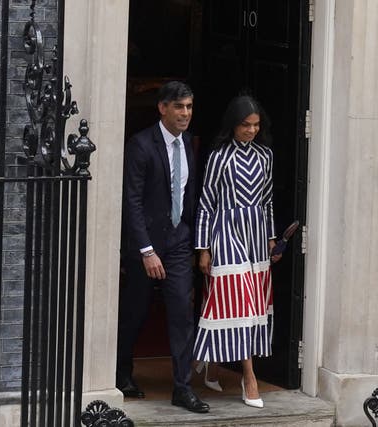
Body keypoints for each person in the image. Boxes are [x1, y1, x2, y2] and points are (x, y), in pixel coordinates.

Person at [117, 81, 209, 413]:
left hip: (179, 240)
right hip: (146, 245)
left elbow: (190, 193)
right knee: (136, 310)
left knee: (182, 313)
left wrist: (197, 240)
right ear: (162, 108)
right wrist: (145, 251)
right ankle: (122, 372)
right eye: (179, 107)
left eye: (189, 107)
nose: (185, 113)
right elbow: (132, 202)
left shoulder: (188, 142)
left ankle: (182, 388)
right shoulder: (141, 145)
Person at [194, 95, 281, 408]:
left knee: (243, 305)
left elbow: (268, 200)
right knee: (237, 303)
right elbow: (206, 203)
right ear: (233, 124)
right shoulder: (219, 157)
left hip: (256, 235)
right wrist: (203, 248)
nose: (251, 131)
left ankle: (211, 365)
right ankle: (249, 376)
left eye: (256, 125)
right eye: (246, 125)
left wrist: (272, 239)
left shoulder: (265, 156)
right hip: (225, 232)